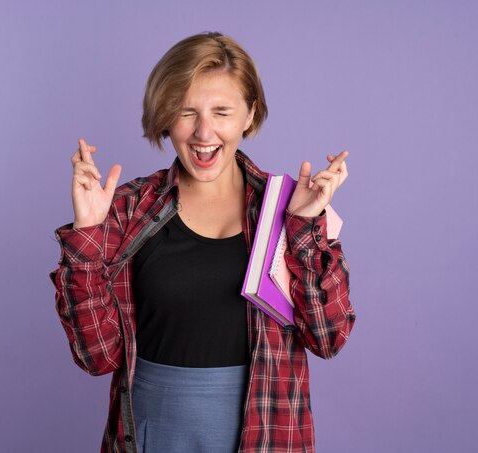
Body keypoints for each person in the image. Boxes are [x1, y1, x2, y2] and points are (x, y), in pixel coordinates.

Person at [50, 32, 356, 453]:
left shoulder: (289, 209)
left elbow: (327, 337)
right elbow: (96, 356)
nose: (203, 131)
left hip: (265, 437)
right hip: (152, 436)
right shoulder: (126, 209)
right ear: (164, 115)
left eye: (222, 112)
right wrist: (87, 232)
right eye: (186, 111)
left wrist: (304, 227)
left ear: (250, 115)